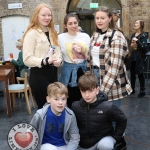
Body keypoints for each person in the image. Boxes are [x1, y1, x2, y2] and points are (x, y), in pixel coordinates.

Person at [86, 6, 132, 104]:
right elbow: (90, 61)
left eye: (103, 18)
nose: (99, 21)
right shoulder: (95, 35)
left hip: (111, 82)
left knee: (111, 116)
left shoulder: (117, 36)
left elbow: (114, 68)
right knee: (99, 116)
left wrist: (102, 92)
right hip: (95, 78)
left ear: (110, 18)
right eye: (97, 18)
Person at [72, 73, 127, 150]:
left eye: (90, 91)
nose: (87, 95)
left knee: (105, 146)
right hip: (83, 143)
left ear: (97, 90)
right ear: (80, 91)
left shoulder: (108, 106)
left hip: (102, 139)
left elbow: (122, 119)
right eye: (83, 91)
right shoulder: (75, 106)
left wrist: (115, 138)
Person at [23, 3, 62, 109]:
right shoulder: (31, 34)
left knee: (55, 107)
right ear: (37, 16)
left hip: (53, 74)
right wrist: (45, 61)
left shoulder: (53, 32)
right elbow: (27, 59)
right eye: (44, 15)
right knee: (45, 109)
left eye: (49, 15)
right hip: (39, 75)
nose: (47, 18)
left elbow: (58, 52)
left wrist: (59, 60)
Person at [30, 82, 80, 150]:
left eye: (63, 99)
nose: (60, 103)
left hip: (65, 146)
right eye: (56, 99)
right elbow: (30, 135)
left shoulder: (70, 115)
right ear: (48, 99)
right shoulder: (40, 115)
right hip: (46, 146)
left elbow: (75, 138)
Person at [58, 13, 90, 108]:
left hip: (83, 71)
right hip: (69, 73)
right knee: (71, 98)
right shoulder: (60, 38)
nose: (73, 26)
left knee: (85, 97)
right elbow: (57, 53)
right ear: (65, 25)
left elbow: (90, 54)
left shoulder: (85, 37)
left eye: (75, 23)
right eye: (70, 23)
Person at [130, 19, 148, 97]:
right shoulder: (133, 35)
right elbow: (132, 45)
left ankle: (142, 90)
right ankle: (132, 89)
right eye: (135, 22)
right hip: (133, 55)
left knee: (140, 73)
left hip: (140, 56)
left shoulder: (144, 35)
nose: (135, 24)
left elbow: (144, 47)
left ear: (141, 25)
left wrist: (137, 41)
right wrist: (133, 45)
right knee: (132, 73)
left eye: (137, 23)